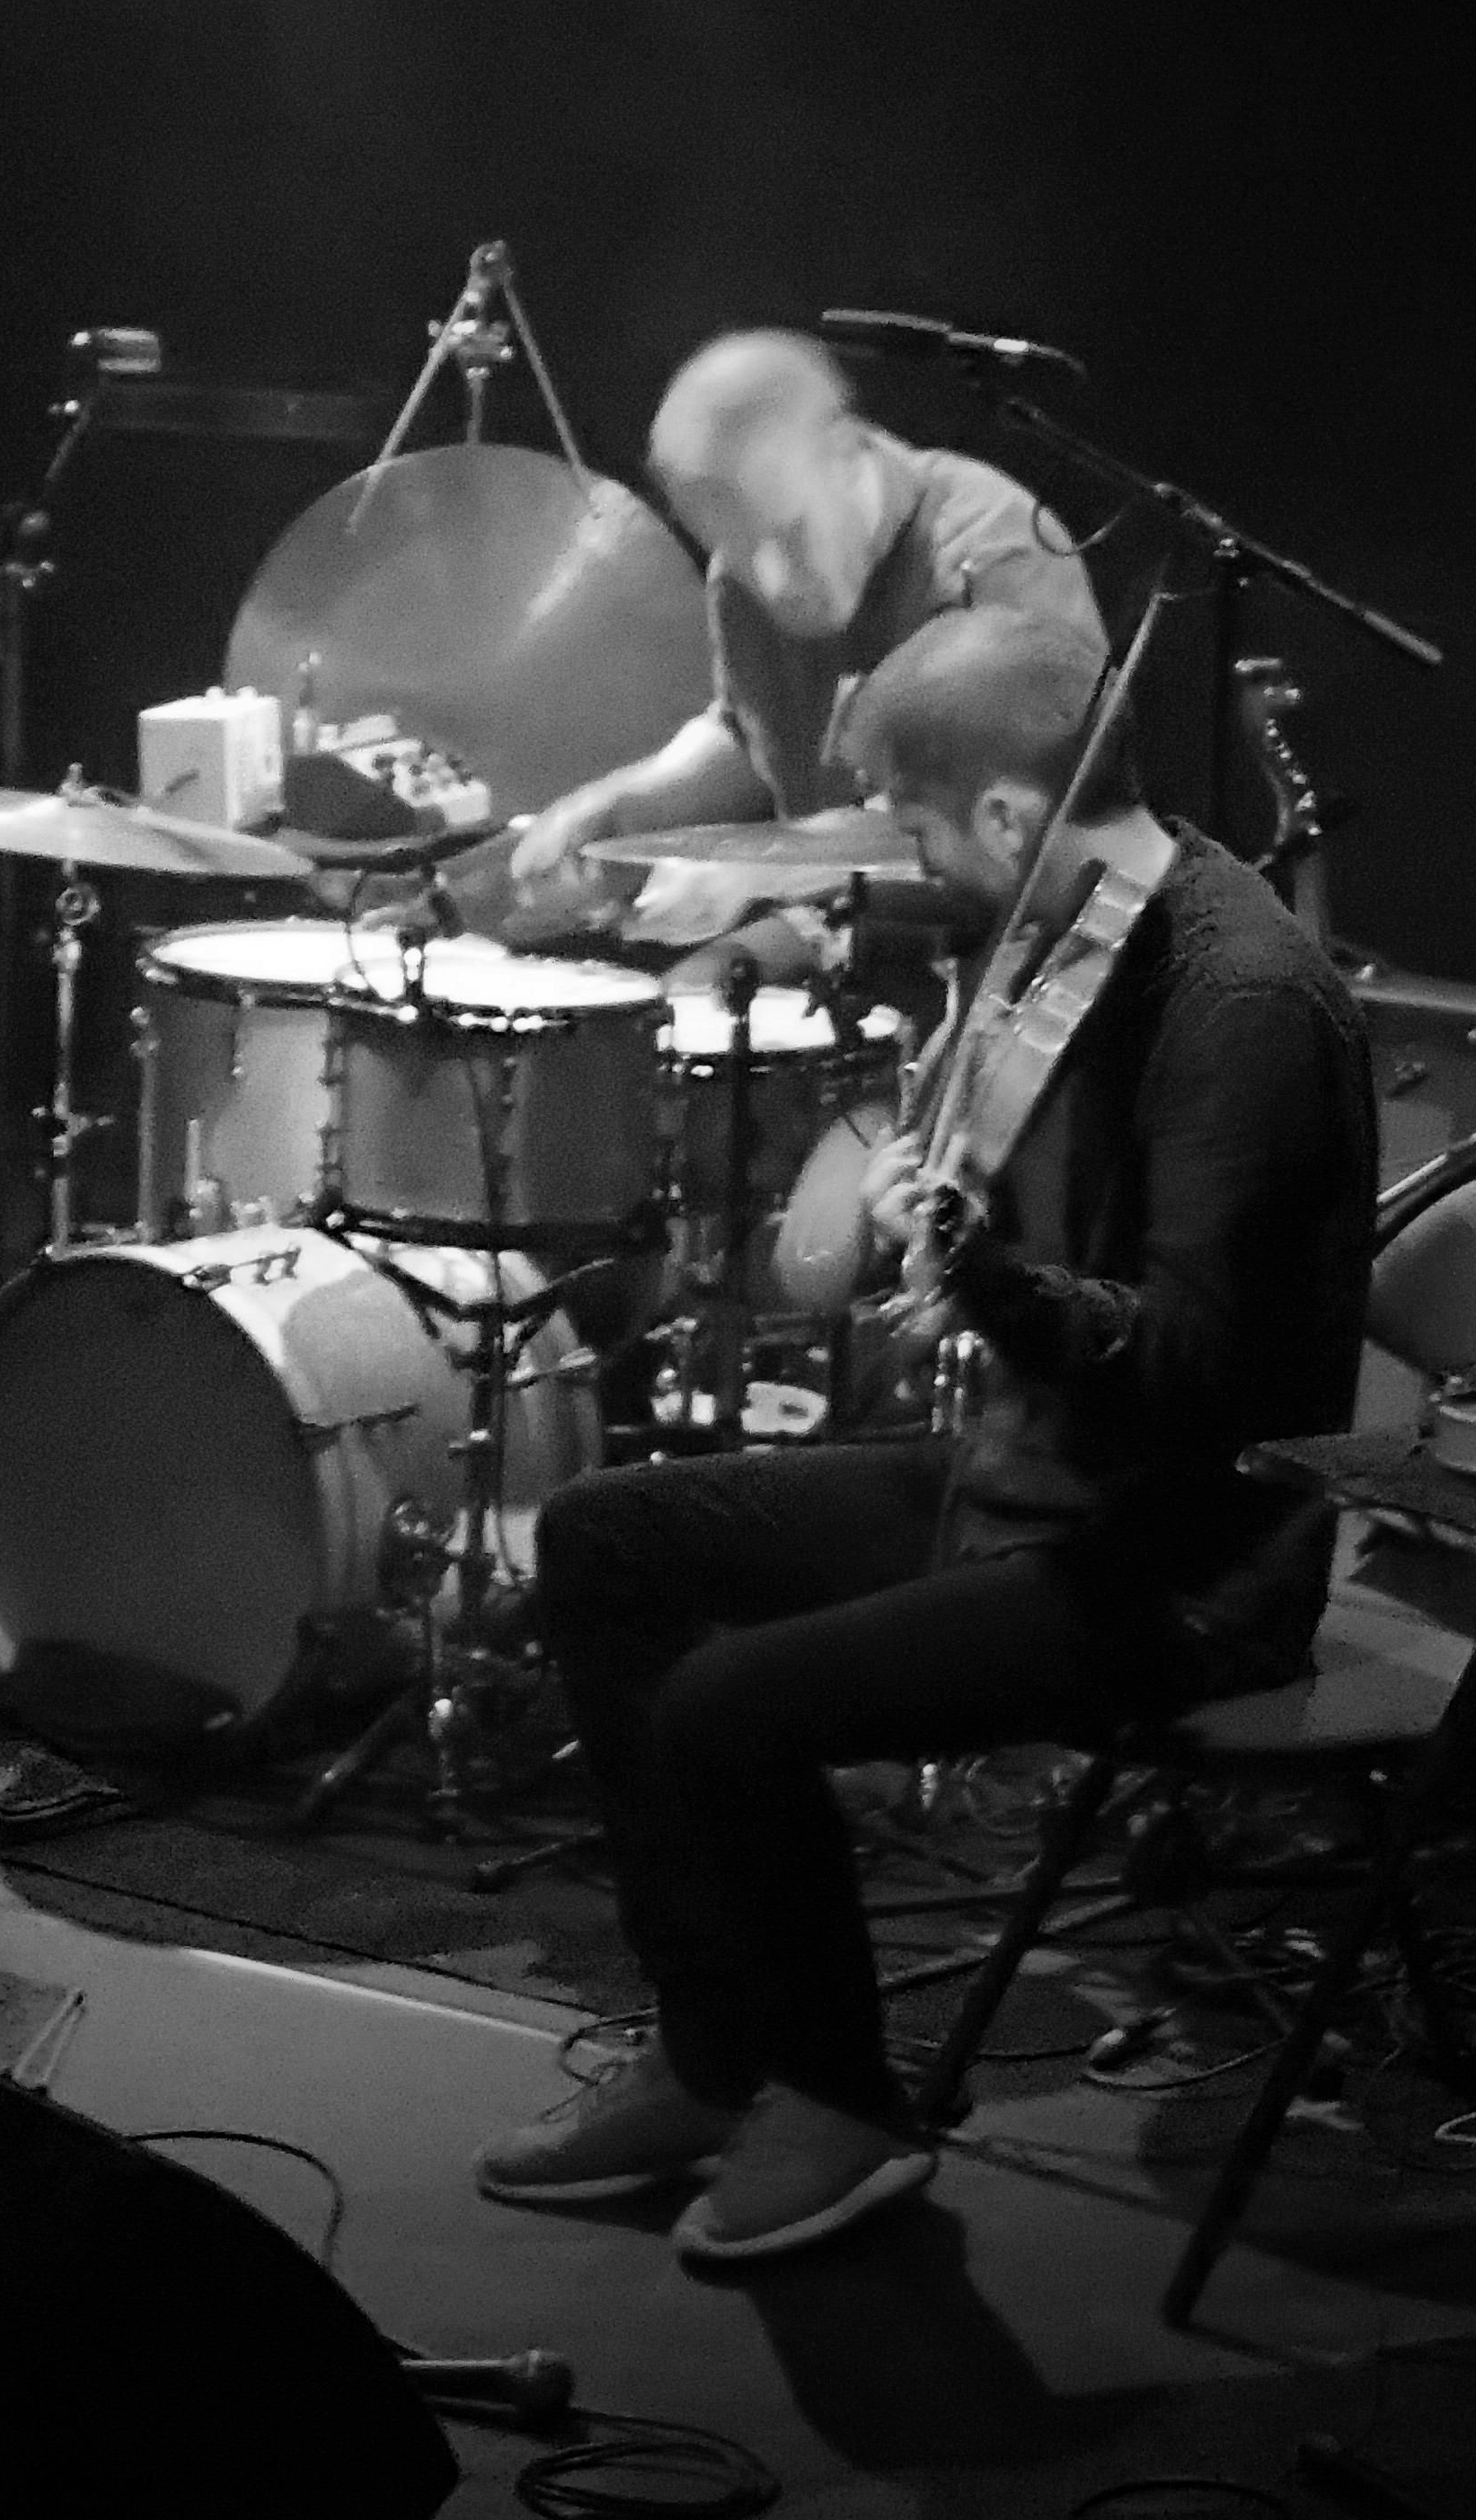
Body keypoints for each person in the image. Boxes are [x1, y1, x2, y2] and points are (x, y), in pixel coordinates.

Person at [473, 601, 1374, 2264]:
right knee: (605, 1541)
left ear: (1013, 816)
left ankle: (841, 2105)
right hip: (1031, 1484)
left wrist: (986, 1279)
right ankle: (714, 2055)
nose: (901, 857)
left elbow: (1193, 1367)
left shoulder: (1236, 999)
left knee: (731, 1706)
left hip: (1181, 1561)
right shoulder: (1079, 929)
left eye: (914, 821)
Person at [506, 329, 1104, 983]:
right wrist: (626, 806)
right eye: (732, 548)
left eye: (789, 534)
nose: (771, 581)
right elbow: (752, 738)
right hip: (852, 926)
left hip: (1020, 960)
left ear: (847, 454)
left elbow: (991, 824)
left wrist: (758, 870)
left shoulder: (989, 555)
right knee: (684, 997)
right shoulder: (742, 580)